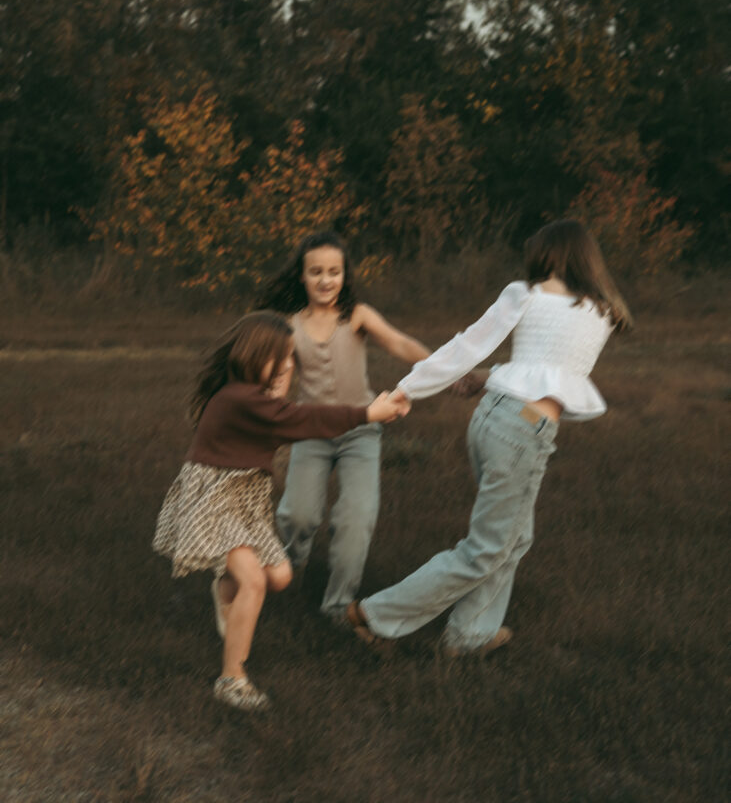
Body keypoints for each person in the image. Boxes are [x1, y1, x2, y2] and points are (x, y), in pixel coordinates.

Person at [346, 219, 632, 657]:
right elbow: (555, 362)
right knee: (486, 548)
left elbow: (469, 346)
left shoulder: (525, 293)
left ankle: (469, 634)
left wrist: (412, 386)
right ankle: (372, 615)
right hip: (523, 430)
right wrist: (423, 386)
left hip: (493, 420)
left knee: (513, 538)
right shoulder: (601, 309)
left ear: (547, 255)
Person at [152, 311, 400, 711]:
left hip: (244, 501)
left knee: (280, 576)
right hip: (216, 500)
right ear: (253, 356)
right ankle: (232, 678)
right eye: (280, 357)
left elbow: (287, 414)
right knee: (255, 581)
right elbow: (302, 419)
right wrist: (367, 413)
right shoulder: (241, 399)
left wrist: (283, 385)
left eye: (291, 357)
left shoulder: (256, 398)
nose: (289, 365)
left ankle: (224, 587)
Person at [256, 232, 430, 622]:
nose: (325, 280)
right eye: (315, 272)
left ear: (345, 275)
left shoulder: (358, 315)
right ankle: (289, 564)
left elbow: (399, 343)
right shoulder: (290, 325)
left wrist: (442, 370)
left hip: (361, 431)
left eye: (333, 272)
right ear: (301, 276)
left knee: (355, 517)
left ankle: (337, 606)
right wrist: (266, 413)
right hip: (312, 431)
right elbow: (280, 382)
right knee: (297, 514)